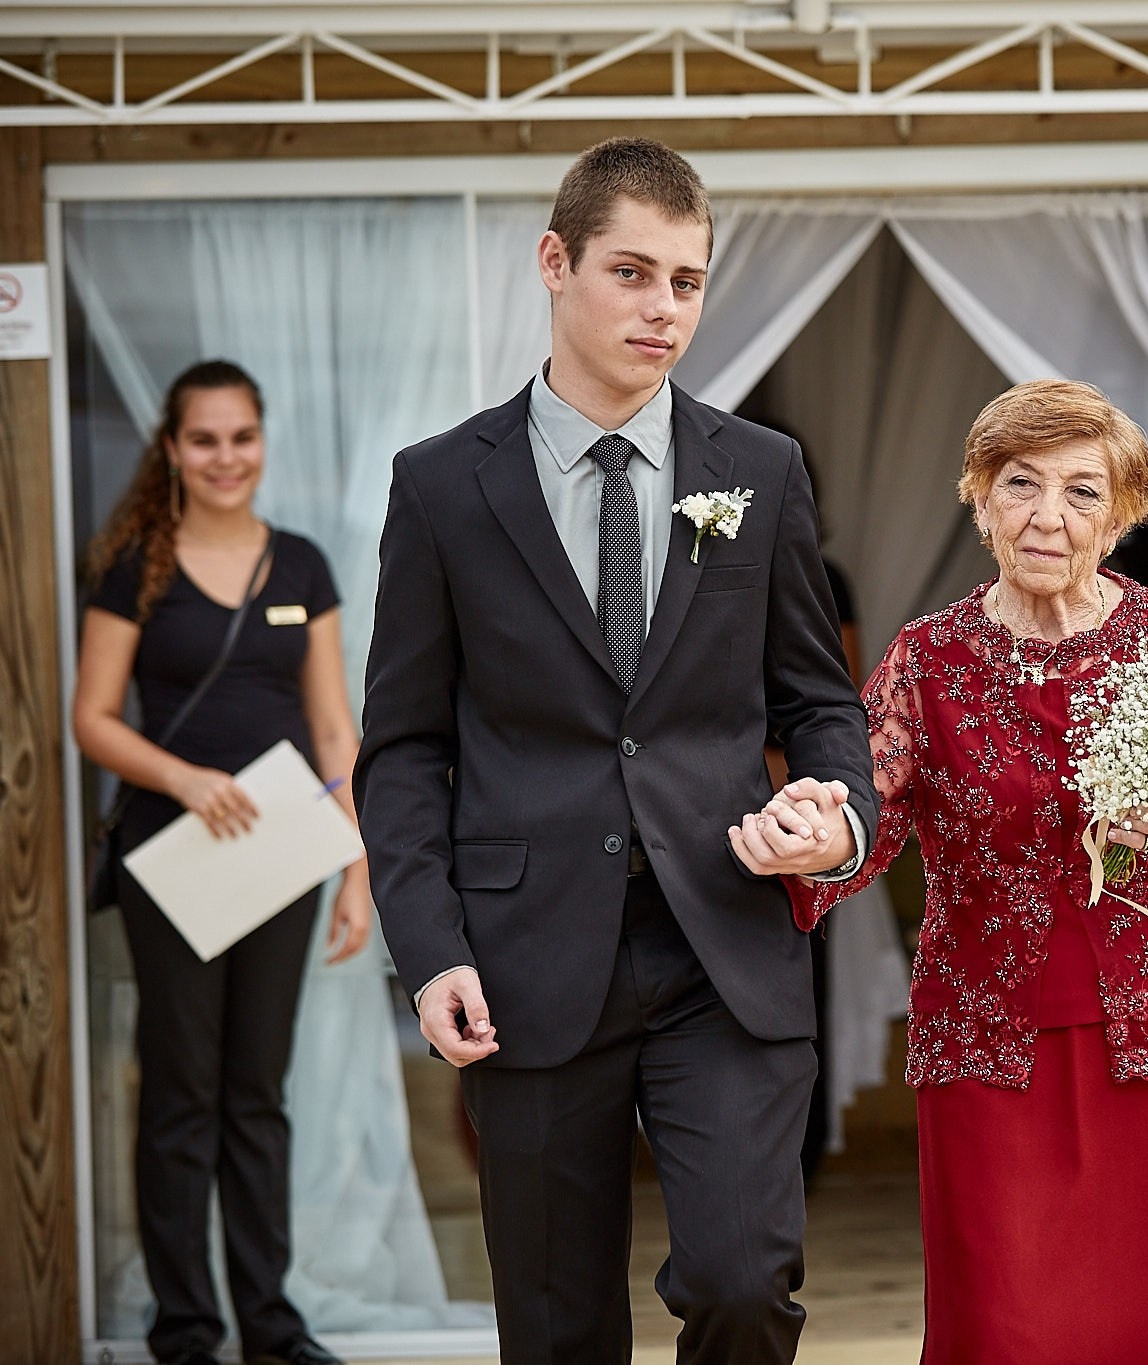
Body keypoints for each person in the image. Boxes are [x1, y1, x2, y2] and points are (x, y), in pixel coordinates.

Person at [353, 137, 879, 1365]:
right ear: (555, 261)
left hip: (725, 946)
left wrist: (837, 815)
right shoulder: (439, 488)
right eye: (632, 273)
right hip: (527, 960)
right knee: (553, 1326)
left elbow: (819, 703)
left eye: (687, 281)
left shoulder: (761, 472)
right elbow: (404, 750)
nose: (663, 309)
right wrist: (428, 951)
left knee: (745, 1281)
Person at [787, 379, 1148, 1364]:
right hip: (993, 1053)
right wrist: (817, 843)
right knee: (1015, 1328)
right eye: (1019, 483)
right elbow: (864, 821)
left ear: (1121, 516)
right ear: (978, 498)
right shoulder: (925, 660)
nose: (1046, 517)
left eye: (1081, 492)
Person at [73, 359, 370, 1365]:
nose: (224, 457)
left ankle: (271, 1329)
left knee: (258, 1093)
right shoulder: (134, 569)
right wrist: (187, 778)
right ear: (172, 448)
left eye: (241, 437)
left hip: (285, 858)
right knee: (180, 1094)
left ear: (262, 441)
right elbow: (91, 720)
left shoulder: (301, 567)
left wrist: (359, 870)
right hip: (176, 858)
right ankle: (186, 1332)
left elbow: (335, 729)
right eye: (204, 439)